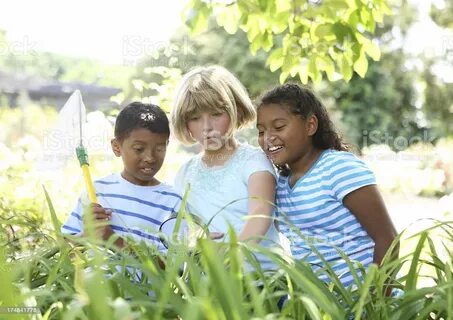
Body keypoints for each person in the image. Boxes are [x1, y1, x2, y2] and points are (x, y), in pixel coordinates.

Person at [256, 83, 398, 288]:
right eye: (261, 131)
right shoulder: (281, 184)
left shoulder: (339, 167)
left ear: (310, 125)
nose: (268, 138)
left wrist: (373, 304)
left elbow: (388, 239)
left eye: (279, 127)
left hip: (363, 305)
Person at [172, 65, 285, 268]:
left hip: (262, 279)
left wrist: (232, 253)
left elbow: (260, 213)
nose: (207, 127)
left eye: (216, 114)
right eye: (195, 118)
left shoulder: (254, 161)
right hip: (212, 281)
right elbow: (181, 226)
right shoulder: (185, 173)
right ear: (184, 122)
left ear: (237, 111)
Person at [61, 102, 182, 253]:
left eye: (159, 148)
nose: (150, 158)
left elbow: (176, 266)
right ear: (116, 147)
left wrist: (115, 241)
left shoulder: (173, 201)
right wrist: (86, 235)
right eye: (139, 149)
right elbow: (64, 251)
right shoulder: (96, 192)